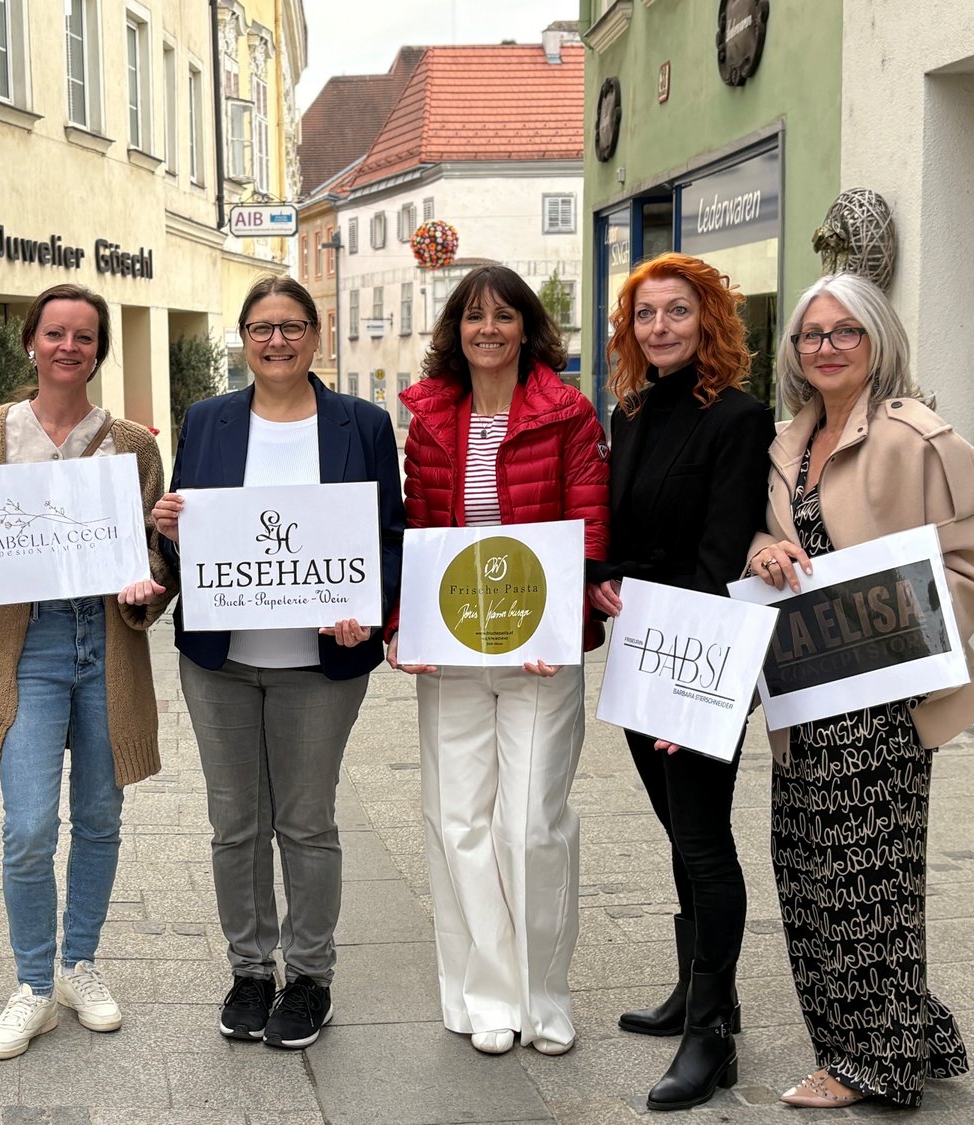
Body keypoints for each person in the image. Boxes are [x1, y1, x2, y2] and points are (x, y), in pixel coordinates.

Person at [749, 273, 974, 1109]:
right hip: (804, 695)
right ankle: (905, 1032)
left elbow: (970, 571)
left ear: (878, 338)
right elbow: (776, 536)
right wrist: (762, 553)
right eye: (810, 335)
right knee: (806, 868)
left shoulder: (923, 439)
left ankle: (869, 1061)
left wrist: (901, 660)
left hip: (881, 702)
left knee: (870, 879)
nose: (824, 347)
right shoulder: (787, 441)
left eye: (843, 332)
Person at [151, 276, 404, 1050]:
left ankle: (310, 977)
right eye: (261, 328)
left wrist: (374, 606)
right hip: (221, 658)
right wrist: (165, 527)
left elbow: (390, 534)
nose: (276, 341)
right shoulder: (207, 420)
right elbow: (191, 534)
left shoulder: (361, 423)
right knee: (235, 821)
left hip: (318, 660)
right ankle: (250, 971)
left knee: (306, 820)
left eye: (292, 326)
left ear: (316, 335)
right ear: (244, 338)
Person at [0, 283, 173, 1061]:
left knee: (99, 816)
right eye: (56, 333)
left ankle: (79, 964)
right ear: (30, 341)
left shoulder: (132, 441)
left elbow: (151, 546)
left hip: (103, 643)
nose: (70, 347)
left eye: (85, 336)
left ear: (99, 349)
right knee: (29, 825)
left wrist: (150, 577)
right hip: (26, 643)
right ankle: (32, 982)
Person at [391, 264, 609, 1056]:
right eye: (474, 316)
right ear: (456, 330)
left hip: (539, 656)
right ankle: (485, 997)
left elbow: (587, 529)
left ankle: (544, 996)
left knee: (530, 826)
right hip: (451, 653)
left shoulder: (569, 413)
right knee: (457, 823)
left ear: (527, 328)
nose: (488, 329)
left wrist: (562, 623)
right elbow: (418, 531)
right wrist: (404, 626)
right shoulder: (430, 420)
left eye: (504, 316)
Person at [584, 253, 775, 1110]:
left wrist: (686, 688)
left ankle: (714, 1037)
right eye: (647, 314)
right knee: (677, 832)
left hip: (699, 653)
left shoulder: (739, 418)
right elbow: (628, 528)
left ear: (710, 323)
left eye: (679, 312)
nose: (661, 327)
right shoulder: (630, 413)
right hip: (642, 645)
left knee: (704, 839)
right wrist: (605, 573)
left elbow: (721, 548)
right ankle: (700, 991)